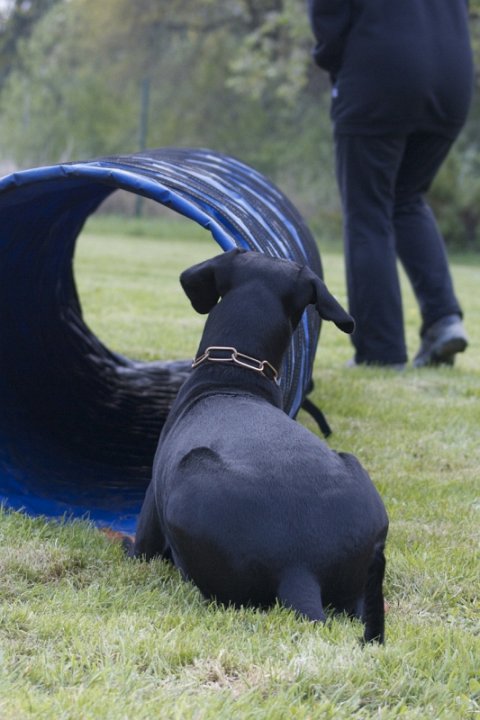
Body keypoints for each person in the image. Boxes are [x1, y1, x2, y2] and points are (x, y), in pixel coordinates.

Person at [307, 0, 474, 368]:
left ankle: (380, 351)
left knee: (367, 212)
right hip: (453, 76)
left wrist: (336, 62)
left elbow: (328, 14)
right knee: (406, 198)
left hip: (380, 70)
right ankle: (443, 320)